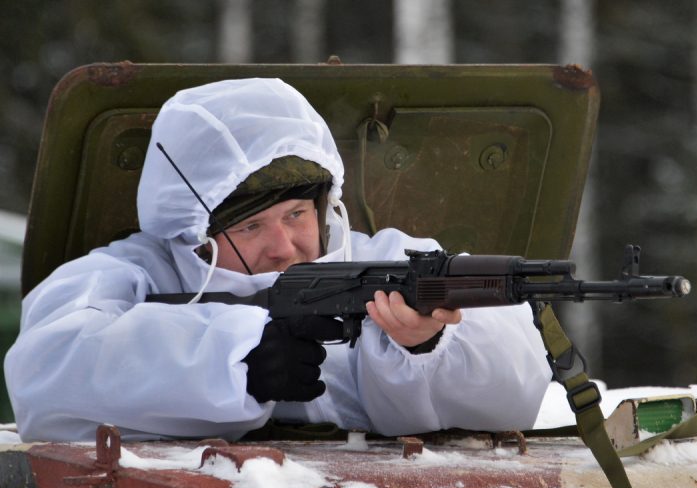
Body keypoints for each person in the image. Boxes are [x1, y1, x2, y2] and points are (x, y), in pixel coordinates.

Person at [4, 78, 552, 442]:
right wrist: (234, 358)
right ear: (193, 231)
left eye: (295, 215)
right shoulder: (140, 272)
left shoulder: (382, 259)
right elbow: (47, 370)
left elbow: (518, 387)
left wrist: (426, 346)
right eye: (249, 226)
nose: (285, 247)